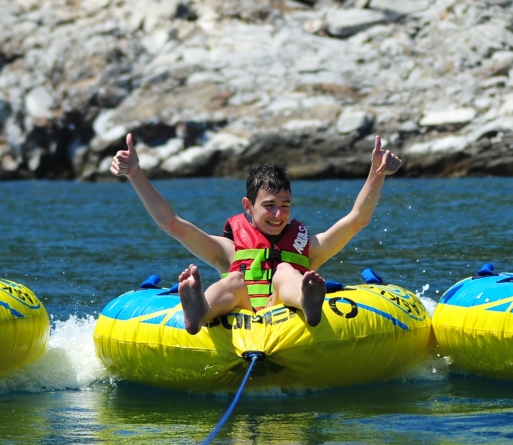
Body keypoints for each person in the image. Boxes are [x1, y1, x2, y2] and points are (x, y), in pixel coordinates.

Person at [109, 133, 403, 334]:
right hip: (241, 310)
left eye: (285, 206)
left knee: (286, 271)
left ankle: (307, 301)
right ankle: (200, 310)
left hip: (283, 309)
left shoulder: (309, 248)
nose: (278, 215)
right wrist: (135, 174)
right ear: (248, 206)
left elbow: (357, 220)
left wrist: (376, 173)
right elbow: (171, 223)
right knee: (234, 279)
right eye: (269, 206)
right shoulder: (227, 250)